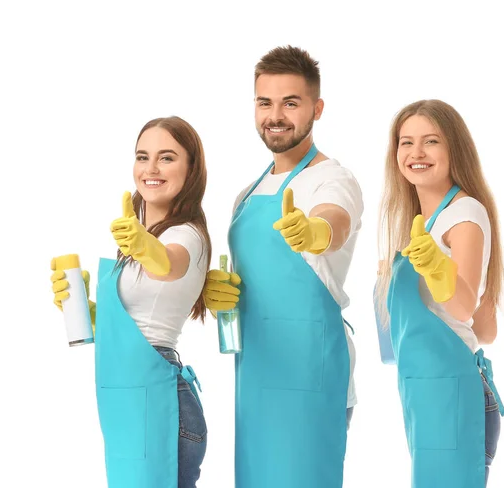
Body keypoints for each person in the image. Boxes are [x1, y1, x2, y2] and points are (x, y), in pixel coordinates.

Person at [203, 45, 363, 488]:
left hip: (309, 376)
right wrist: (218, 295)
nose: (275, 115)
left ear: (317, 108)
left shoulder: (333, 178)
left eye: (290, 103)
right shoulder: (246, 195)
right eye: (264, 102)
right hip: (254, 374)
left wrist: (314, 233)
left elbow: (336, 218)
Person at [50, 116, 211, 488]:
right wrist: (85, 309)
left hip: (160, 402)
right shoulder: (136, 241)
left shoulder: (187, 235)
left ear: (191, 169)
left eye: (167, 158)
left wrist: (144, 246)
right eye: (143, 156)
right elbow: (133, 319)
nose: (151, 168)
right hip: (128, 403)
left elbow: (169, 264)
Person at [375, 99, 504, 487]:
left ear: (454, 150)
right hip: (425, 393)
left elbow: (463, 305)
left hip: (452, 395)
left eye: (431, 141)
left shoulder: (464, 214)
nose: (416, 153)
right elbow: (485, 330)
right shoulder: (422, 224)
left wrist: (436, 269)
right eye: (406, 142)